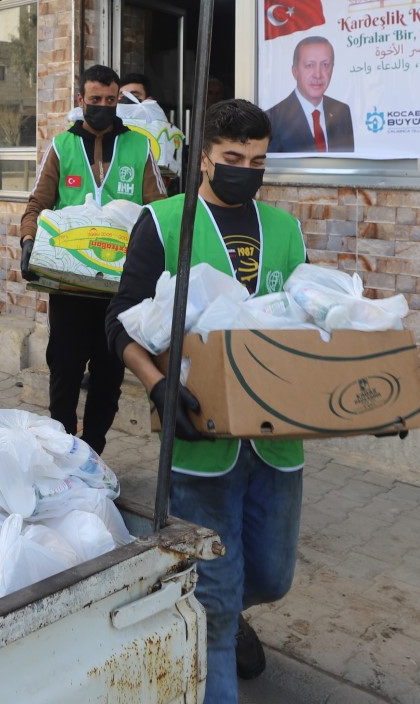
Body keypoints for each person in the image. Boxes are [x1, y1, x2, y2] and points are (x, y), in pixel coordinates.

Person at [106, 99, 306, 702]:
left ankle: (213, 601)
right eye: (234, 158)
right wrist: (159, 385)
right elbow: (120, 323)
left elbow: (306, 322)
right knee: (216, 608)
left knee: (271, 576)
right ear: (205, 159)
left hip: (276, 442)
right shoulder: (166, 223)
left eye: (259, 160)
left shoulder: (285, 230)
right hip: (197, 443)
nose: (247, 169)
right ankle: (210, 618)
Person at [20, 64, 165, 454]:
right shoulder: (61, 147)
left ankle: (94, 451)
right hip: (68, 284)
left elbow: (159, 211)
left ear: (119, 101)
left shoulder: (139, 147)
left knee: (109, 374)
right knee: (64, 371)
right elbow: (37, 203)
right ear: (81, 101)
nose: (103, 106)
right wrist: (28, 240)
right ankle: (62, 448)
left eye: (110, 100)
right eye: (95, 100)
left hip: (120, 290)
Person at [265, 36, 354, 153]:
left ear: (332, 68)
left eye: (325, 65)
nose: (318, 74)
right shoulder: (272, 119)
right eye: (309, 65)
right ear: (295, 71)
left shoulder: (342, 112)